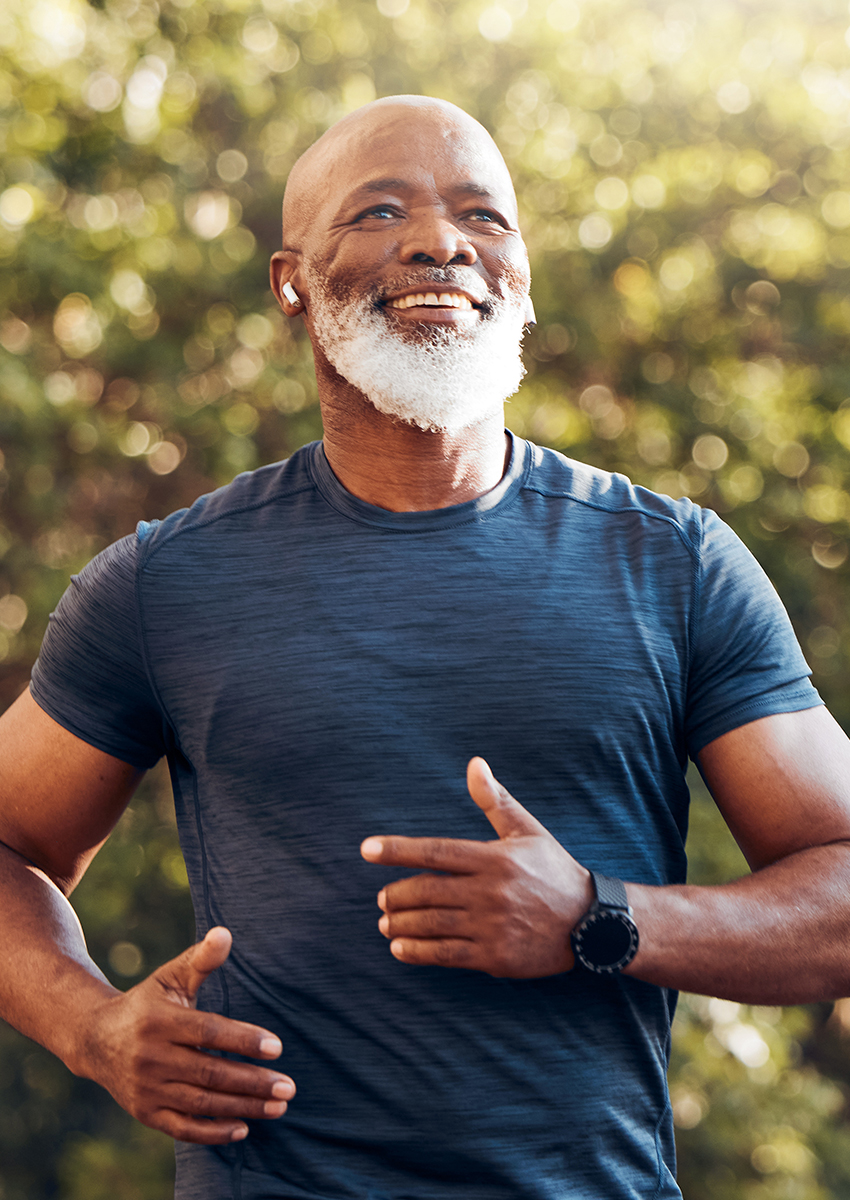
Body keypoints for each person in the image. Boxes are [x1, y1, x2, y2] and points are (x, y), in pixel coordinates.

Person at [1, 94, 850, 1200]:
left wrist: (599, 918)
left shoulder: (672, 563)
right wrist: (90, 1029)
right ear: (290, 279)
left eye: (480, 215)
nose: (437, 240)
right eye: (378, 210)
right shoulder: (168, 581)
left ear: (521, 271)